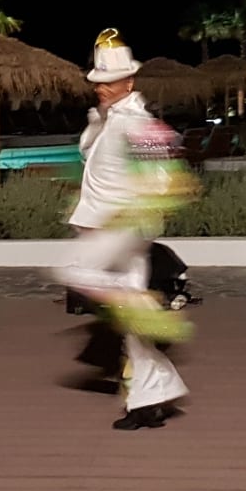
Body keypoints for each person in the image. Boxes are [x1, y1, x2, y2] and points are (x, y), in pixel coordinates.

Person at [56, 29, 199, 430]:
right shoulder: (109, 121)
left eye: (109, 82)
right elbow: (90, 155)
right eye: (97, 82)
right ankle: (151, 401)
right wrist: (98, 120)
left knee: (72, 271)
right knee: (132, 328)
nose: (100, 88)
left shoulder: (138, 123)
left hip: (123, 228)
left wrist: (133, 212)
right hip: (107, 227)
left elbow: (163, 178)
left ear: (129, 82)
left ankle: (146, 307)